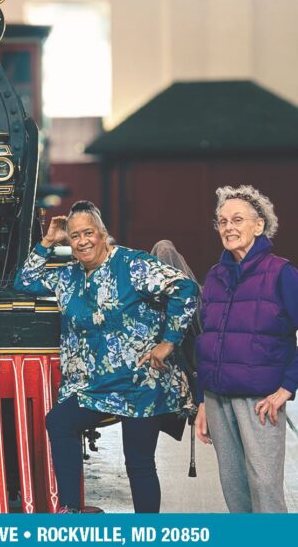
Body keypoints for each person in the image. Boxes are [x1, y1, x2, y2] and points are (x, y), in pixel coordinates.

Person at [15, 200, 198, 513]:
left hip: (139, 384)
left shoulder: (132, 265)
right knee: (59, 422)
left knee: (139, 463)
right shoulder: (67, 277)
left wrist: (168, 342)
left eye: (88, 233)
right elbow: (24, 281)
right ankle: (71, 509)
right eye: (74, 236)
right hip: (93, 387)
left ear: (102, 234)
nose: (82, 241)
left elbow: (185, 289)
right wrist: (47, 242)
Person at [194, 184, 298, 513]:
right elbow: (206, 339)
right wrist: (201, 402)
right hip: (218, 398)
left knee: (265, 487)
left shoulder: (281, 273)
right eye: (222, 221)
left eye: (237, 219)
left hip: (260, 401)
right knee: (234, 488)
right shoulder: (214, 276)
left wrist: (287, 389)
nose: (229, 228)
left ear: (259, 225)